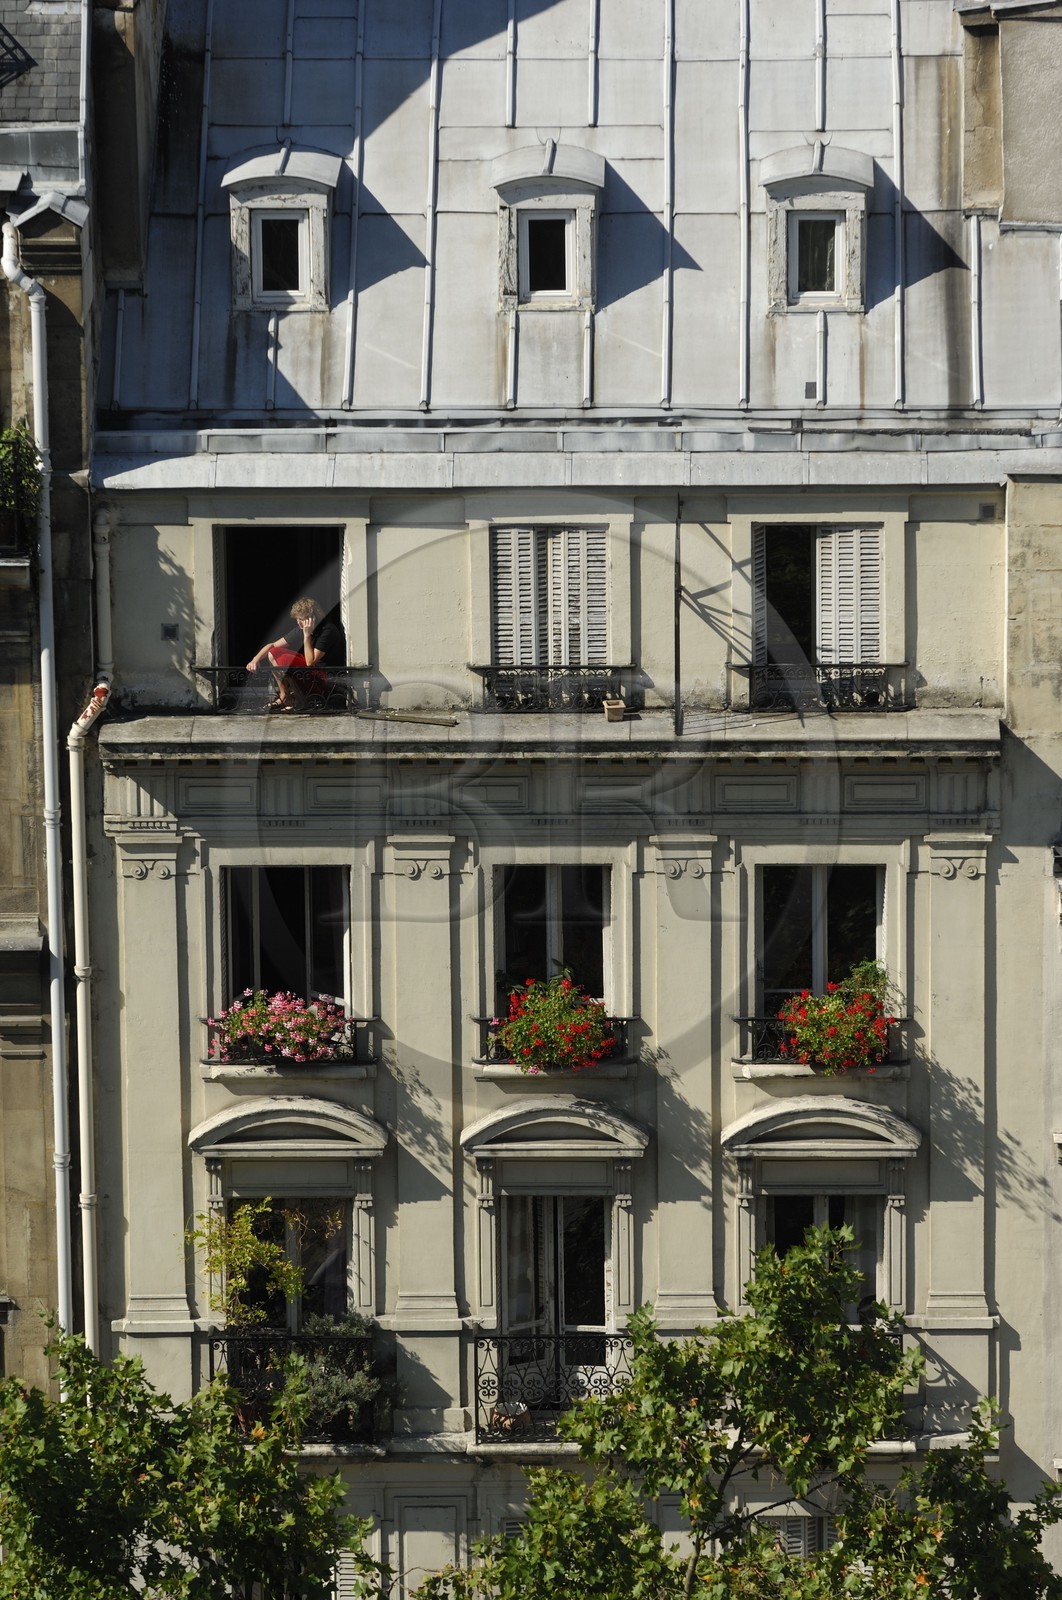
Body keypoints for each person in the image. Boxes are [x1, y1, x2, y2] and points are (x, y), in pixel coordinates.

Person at [245, 597, 344, 710]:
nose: (298, 622)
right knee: (274, 652)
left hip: (325, 679)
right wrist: (255, 659)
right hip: (310, 675)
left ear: (312, 618)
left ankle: (299, 701)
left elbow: (310, 662)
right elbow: (272, 646)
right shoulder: (301, 629)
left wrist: (307, 636)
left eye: (301, 619)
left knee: (286, 660)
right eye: (297, 619)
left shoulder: (327, 630)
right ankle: (284, 696)